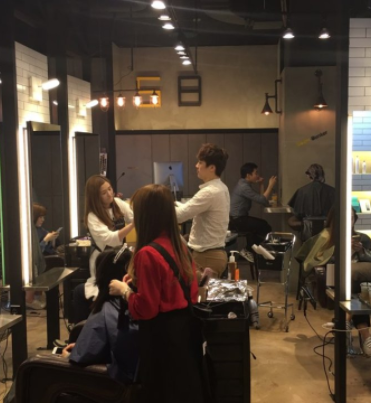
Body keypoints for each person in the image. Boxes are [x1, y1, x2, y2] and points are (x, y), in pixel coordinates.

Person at [109, 184, 206, 402]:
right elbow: (182, 288)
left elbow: (146, 309)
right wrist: (138, 281)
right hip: (184, 334)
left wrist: (125, 291)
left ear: (146, 215)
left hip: (160, 340)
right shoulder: (179, 246)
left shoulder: (147, 254)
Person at [296, 206, 371, 355]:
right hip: (337, 282)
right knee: (358, 293)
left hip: (360, 284)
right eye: (345, 218)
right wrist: (340, 250)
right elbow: (316, 261)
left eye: (352, 218)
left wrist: (361, 251)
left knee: (359, 292)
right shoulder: (326, 238)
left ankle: (345, 322)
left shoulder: (362, 238)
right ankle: (366, 336)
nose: (349, 221)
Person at [63, 248, 139, 383]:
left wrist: (68, 356)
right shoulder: (139, 305)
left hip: (117, 386)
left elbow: (80, 360)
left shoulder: (105, 310)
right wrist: (84, 344)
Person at [72, 175, 134, 324]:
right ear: (95, 197)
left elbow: (132, 216)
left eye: (110, 189)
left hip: (121, 256)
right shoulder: (92, 217)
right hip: (103, 260)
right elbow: (110, 239)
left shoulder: (117, 203)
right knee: (101, 291)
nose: (110, 194)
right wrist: (133, 225)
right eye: (104, 192)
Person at [175, 143, 230, 277]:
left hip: (206, 256)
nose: (196, 165)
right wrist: (174, 203)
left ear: (212, 168)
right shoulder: (221, 187)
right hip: (213, 254)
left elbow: (179, 216)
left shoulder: (209, 192)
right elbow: (186, 209)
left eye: (200, 162)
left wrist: (161, 203)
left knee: (199, 291)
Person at [229, 162, 276, 263]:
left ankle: (250, 251)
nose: (257, 175)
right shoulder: (244, 187)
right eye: (256, 173)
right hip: (238, 220)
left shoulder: (244, 184)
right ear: (248, 175)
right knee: (265, 226)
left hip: (238, 219)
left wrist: (261, 184)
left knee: (259, 227)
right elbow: (262, 200)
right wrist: (270, 186)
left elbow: (262, 199)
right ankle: (248, 250)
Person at [287, 164, 336, 241]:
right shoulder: (333, 191)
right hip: (328, 233)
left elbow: (297, 213)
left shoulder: (302, 191)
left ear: (309, 176)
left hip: (307, 233)